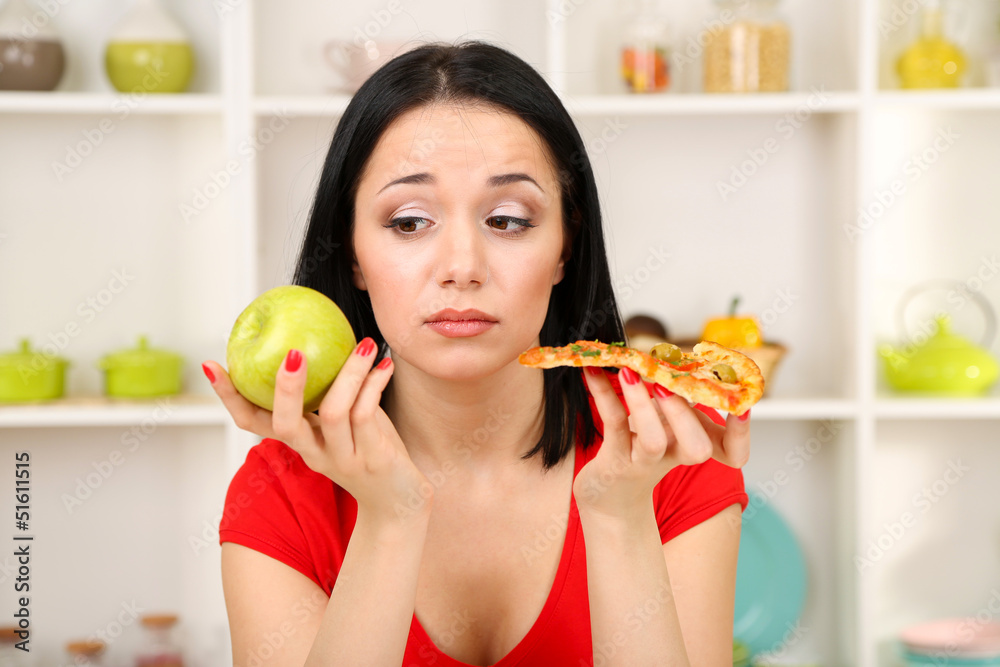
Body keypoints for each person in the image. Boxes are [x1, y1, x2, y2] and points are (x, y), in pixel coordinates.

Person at [202, 40, 751, 667]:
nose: (462, 267)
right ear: (350, 252)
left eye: (509, 219)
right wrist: (389, 517)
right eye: (408, 222)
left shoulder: (663, 461)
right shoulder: (280, 491)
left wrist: (620, 518)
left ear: (566, 247)